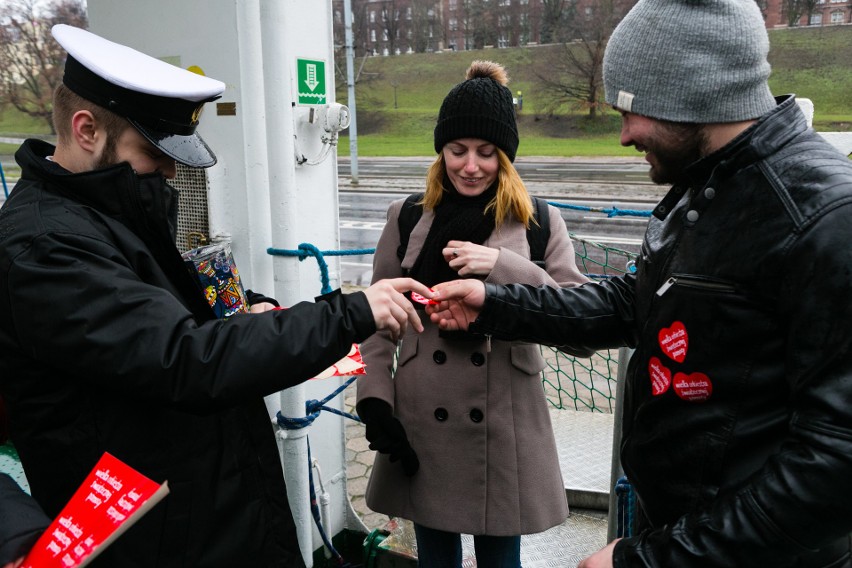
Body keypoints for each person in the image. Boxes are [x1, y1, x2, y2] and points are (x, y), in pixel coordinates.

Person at [426, 1, 852, 567]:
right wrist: (495, 304)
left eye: (633, 109)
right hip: (680, 526)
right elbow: (635, 302)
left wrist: (652, 560)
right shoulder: (705, 187)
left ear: (694, 97)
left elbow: (836, 460)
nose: (624, 134)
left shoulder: (822, 217)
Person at [0, 24, 432, 567]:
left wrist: (246, 309)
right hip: (153, 542)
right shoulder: (43, 246)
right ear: (86, 129)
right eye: (152, 151)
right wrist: (349, 312)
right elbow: (186, 359)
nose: (167, 169)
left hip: (204, 516)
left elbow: (166, 307)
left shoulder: (109, 214)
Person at [356, 60, 590, 567]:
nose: (470, 166)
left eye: (487, 153)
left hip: (503, 421)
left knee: (501, 559)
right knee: (435, 557)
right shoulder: (409, 216)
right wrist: (375, 399)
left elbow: (582, 328)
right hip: (423, 418)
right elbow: (378, 319)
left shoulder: (539, 222)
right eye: (457, 150)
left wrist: (505, 266)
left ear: (506, 157)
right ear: (440, 152)